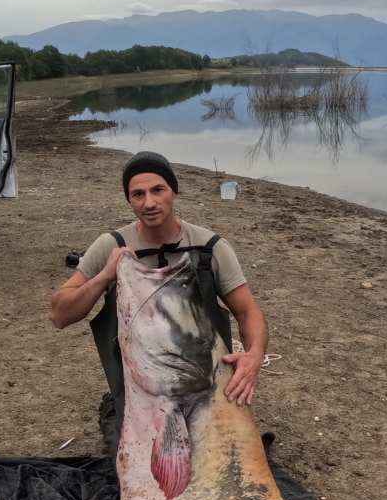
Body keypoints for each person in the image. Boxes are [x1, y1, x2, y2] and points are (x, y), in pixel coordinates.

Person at [49, 151, 269, 429]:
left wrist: (254, 355)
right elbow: (59, 314)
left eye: (158, 190)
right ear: (129, 200)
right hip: (139, 392)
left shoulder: (210, 247)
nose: (149, 203)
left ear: (174, 192)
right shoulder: (111, 245)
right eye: (138, 194)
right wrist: (105, 276)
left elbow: (248, 311)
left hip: (208, 387)